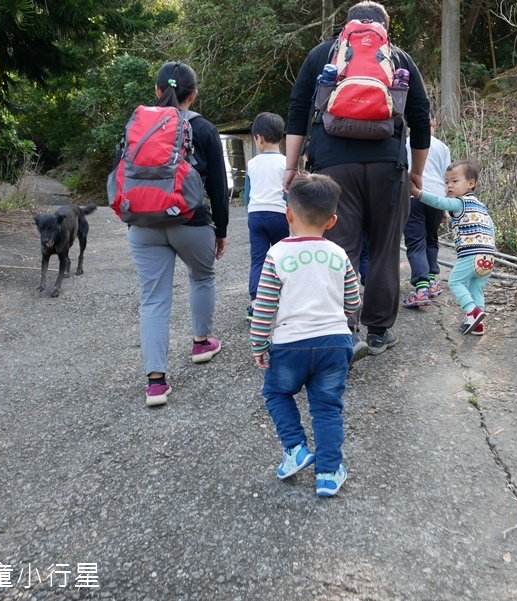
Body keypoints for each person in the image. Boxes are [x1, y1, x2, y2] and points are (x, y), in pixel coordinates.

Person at [283, 0, 431, 362]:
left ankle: (345, 332)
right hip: (388, 167)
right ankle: (378, 333)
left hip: (332, 166)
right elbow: (421, 118)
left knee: (340, 249)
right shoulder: (398, 58)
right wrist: (417, 174)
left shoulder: (323, 54)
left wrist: (290, 167)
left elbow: (298, 110)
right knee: (384, 249)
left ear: (346, 26)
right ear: (385, 28)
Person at [125, 61, 228, 406]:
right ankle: (201, 343)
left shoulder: (139, 124)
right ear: (194, 94)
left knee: (153, 299)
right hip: (190, 221)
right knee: (202, 277)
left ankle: (156, 383)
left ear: (157, 91)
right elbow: (218, 185)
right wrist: (222, 231)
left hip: (143, 222)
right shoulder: (204, 128)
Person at [250, 174, 360, 497]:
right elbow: (352, 302)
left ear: (288, 215)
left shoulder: (277, 255)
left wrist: (259, 344)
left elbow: (264, 307)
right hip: (335, 343)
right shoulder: (338, 254)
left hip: (290, 345)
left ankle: (296, 448)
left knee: (276, 394)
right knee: (327, 407)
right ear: (333, 220)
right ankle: (327, 473)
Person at [408, 159, 495, 335]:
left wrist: (418, 193)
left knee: (455, 282)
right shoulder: (481, 206)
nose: (449, 186)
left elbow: (440, 203)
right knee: (476, 287)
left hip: (471, 255)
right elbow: (491, 227)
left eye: (455, 181)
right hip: (488, 256)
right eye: (446, 182)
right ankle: (478, 324)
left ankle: (473, 311)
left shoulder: (460, 202)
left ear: (471, 184)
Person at [244, 112, 290, 320]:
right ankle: (286, 298)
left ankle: (256, 303)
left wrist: (250, 210)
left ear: (259, 138)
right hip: (279, 215)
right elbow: (290, 193)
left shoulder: (252, 163)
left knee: (258, 259)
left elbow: (247, 194)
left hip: (256, 215)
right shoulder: (286, 163)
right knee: (283, 257)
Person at [402, 116, 452, 308]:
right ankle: (431, 281)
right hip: (437, 198)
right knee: (432, 239)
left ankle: (421, 288)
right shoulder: (442, 147)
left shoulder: (406, 144)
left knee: (415, 242)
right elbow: (447, 177)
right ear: (434, 122)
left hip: (414, 197)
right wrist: (446, 207)